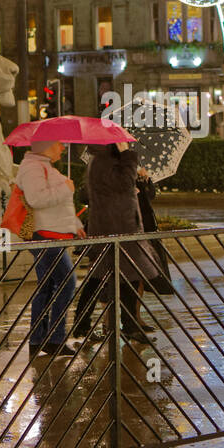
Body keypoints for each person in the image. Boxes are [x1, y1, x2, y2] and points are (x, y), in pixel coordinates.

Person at [76, 140, 161, 341]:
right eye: (122, 141)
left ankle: (128, 325)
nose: (126, 144)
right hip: (114, 229)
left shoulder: (109, 161)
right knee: (101, 278)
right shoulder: (103, 162)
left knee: (127, 277)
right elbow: (122, 184)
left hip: (121, 228)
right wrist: (130, 159)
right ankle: (83, 323)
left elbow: (123, 187)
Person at [16, 139, 84, 357]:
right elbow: (36, 199)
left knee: (47, 285)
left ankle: (39, 340)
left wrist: (75, 224)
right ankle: (54, 338)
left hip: (52, 233)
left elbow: (57, 207)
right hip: (45, 235)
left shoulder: (43, 166)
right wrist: (65, 188)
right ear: (46, 145)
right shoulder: (33, 168)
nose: (62, 148)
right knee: (67, 282)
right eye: (58, 144)